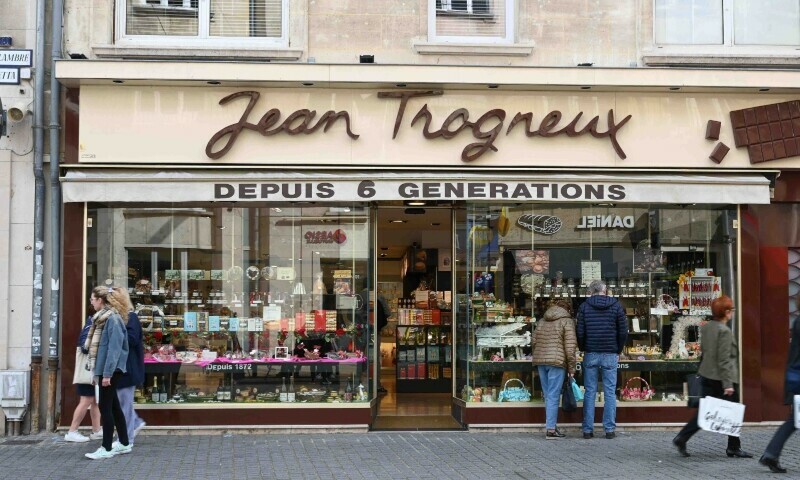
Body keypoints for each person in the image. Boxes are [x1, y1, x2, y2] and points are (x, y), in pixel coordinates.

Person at [672, 295, 752, 459]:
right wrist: (728, 384)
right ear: (726, 312)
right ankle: (733, 447)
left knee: (705, 412)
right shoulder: (724, 331)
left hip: (707, 375)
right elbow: (723, 359)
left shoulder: (707, 327)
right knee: (734, 412)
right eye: (731, 310)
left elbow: (705, 352)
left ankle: (682, 437)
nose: (733, 313)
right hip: (722, 379)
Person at [84, 286, 132, 460]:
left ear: (101, 300)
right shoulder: (105, 319)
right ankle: (124, 443)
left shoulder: (112, 319)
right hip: (108, 369)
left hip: (110, 370)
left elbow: (114, 349)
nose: (91, 302)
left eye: (92, 299)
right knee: (113, 406)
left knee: (105, 407)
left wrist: (107, 374)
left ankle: (106, 447)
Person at [577, 280, 628, 439]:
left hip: (591, 352)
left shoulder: (584, 307)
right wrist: (618, 349)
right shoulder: (616, 306)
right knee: (610, 392)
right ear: (605, 290)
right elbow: (623, 332)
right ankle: (609, 429)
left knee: (590, 392)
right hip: (610, 353)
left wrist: (583, 347)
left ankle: (587, 430)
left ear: (591, 291)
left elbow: (580, 332)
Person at [759, 295, 800, 473]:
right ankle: (770, 453)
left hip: (794, 376)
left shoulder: (797, 321)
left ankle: (771, 453)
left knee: (792, 420)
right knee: (792, 420)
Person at [532, 300, 577, 439]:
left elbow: (533, 342)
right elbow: (570, 348)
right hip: (556, 362)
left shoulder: (542, 321)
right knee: (553, 396)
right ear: (567, 310)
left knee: (548, 395)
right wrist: (572, 368)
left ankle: (551, 425)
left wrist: (539, 355)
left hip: (541, 361)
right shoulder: (567, 321)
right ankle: (551, 429)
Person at [114, 288, 146, 447]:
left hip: (128, 368)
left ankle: (126, 440)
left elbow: (132, 339)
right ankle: (134, 423)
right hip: (121, 369)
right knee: (121, 403)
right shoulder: (120, 317)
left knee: (124, 404)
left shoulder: (131, 317)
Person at [64, 313, 103, 442]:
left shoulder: (93, 322)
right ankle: (72, 431)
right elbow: (84, 346)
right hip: (89, 369)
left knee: (95, 401)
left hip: (92, 368)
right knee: (86, 400)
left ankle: (96, 430)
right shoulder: (93, 323)